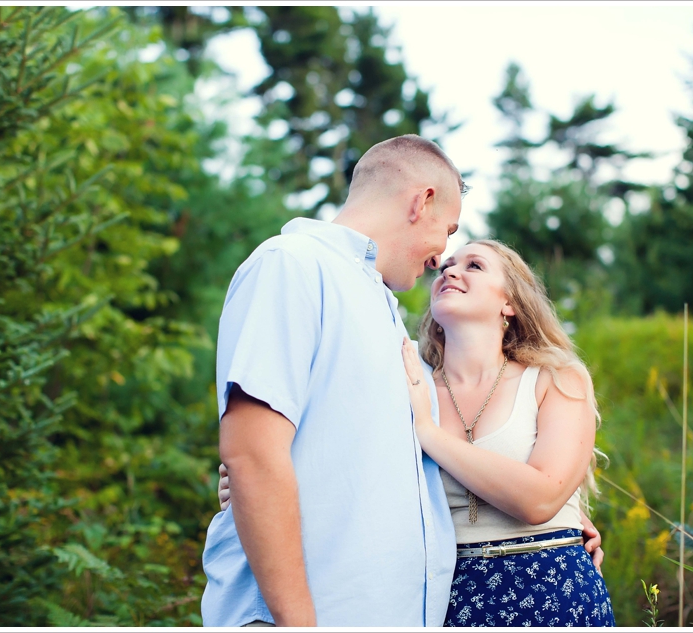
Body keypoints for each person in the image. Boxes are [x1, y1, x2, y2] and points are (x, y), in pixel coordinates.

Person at [202, 134, 603, 627]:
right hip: (311, 613)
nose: (441, 258)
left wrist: (557, 528)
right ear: (423, 202)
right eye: (449, 232)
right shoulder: (294, 265)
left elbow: (367, 457)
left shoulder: (384, 314)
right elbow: (252, 455)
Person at [401, 239, 615, 627]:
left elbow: (540, 499)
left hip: (552, 586)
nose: (450, 271)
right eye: (446, 265)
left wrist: (429, 434)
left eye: (474, 266)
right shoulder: (411, 382)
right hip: (445, 591)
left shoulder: (555, 378)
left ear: (509, 304)